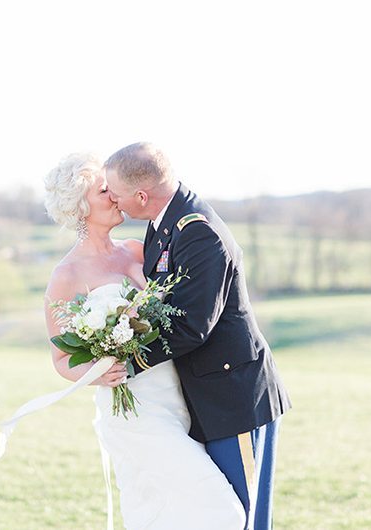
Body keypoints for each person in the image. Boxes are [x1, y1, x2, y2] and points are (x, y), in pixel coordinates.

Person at [43, 152, 246, 530]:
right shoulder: (66, 275)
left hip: (177, 398)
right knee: (220, 510)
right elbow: (60, 359)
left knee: (170, 513)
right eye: (104, 190)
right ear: (81, 207)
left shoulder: (139, 248)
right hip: (133, 412)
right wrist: (101, 372)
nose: (115, 195)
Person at [104, 142, 292, 530]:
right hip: (205, 398)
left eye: (116, 193)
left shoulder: (198, 233)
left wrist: (129, 362)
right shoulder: (164, 225)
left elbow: (192, 325)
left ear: (141, 195)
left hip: (233, 397)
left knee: (243, 517)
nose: (114, 202)